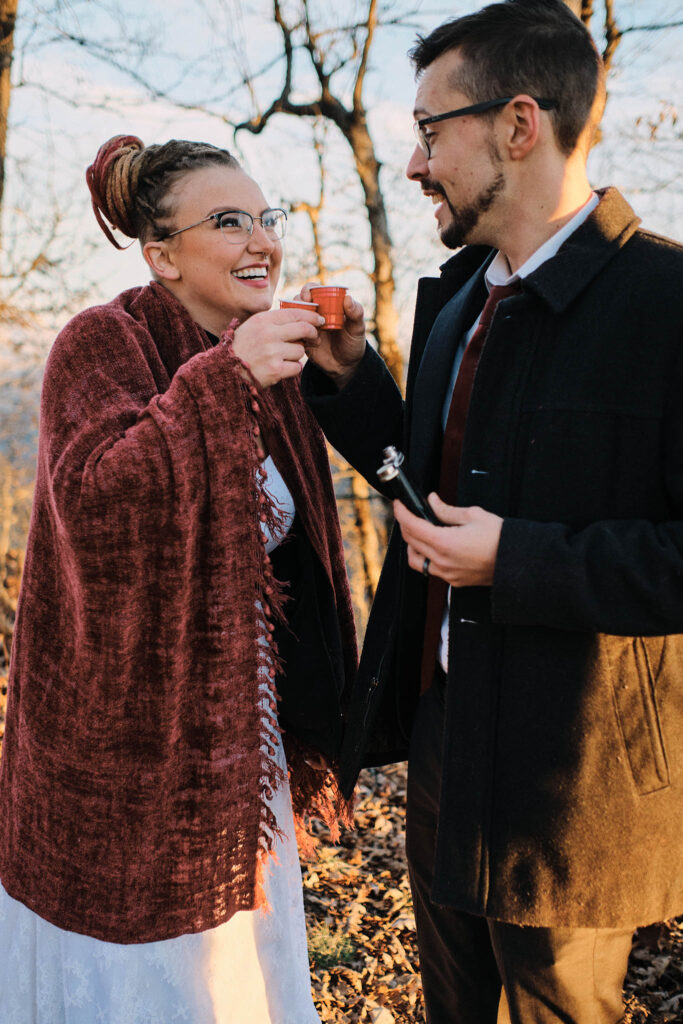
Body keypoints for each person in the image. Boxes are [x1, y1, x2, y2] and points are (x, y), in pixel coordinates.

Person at [299, 1, 683, 1021]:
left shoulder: (665, 301)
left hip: (572, 783)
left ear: (518, 125)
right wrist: (354, 383)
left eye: (430, 132)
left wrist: (518, 560)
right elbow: (429, 499)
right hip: (442, 747)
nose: (416, 164)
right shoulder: (460, 299)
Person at [0, 134, 359, 1024]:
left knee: (237, 966)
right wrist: (221, 380)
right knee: (157, 980)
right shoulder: (101, 340)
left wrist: (340, 373)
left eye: (265, 217)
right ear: (161, 256)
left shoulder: (263, 354)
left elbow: (300, 536)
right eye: (228, 221)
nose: (261, 240)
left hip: (239, 732)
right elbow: (96, 499)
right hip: (126, 739)